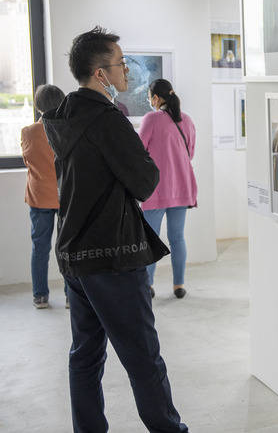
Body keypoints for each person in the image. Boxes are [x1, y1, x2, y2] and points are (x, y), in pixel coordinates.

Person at [42, 26, 188, 433]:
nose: (127, 70)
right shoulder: (108, 120)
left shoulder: (62, 117)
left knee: (85, 356)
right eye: (121, 63)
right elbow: (145, 181)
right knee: (143, 357)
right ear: (100, 74)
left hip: (73, 252)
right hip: (112, 254)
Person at [138, 78, 197, 299]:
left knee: (150, 239)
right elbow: (190, 153)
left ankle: (148, 285)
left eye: (149, 97)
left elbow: (139, 151)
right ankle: (179, 285)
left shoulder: (151, 119)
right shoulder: (187, 120)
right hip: (181, 187)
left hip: (156, 189)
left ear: (156, 98)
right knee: (177, 238)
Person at [21, 84, 66, 309]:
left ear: (38, 105)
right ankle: (71, 297)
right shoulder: (68, 128)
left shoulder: (29, 132)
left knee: (40, 248)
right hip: (65, 196)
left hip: (39, 197)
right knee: (67, 248)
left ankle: (40, 296)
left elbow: (27, 160)